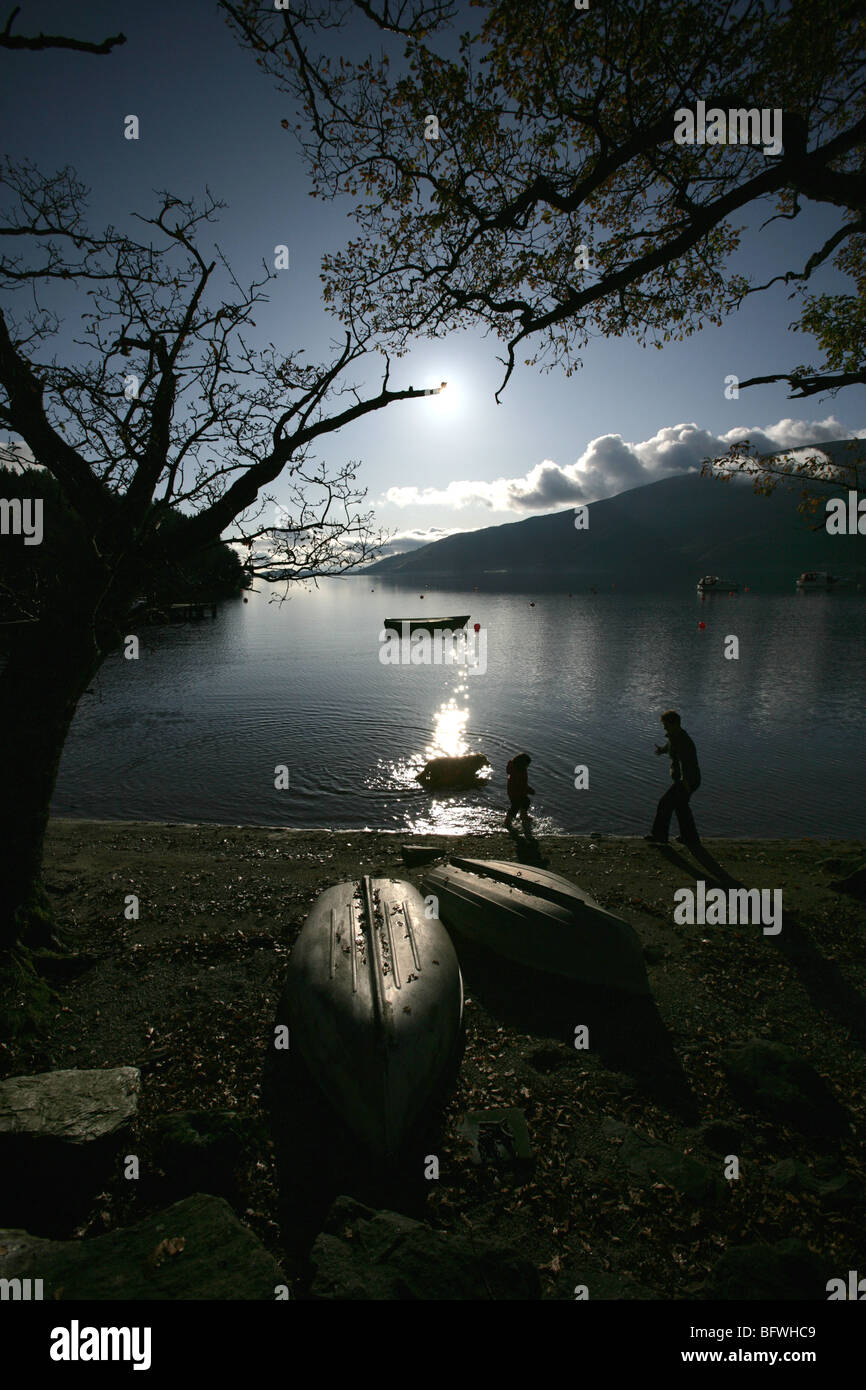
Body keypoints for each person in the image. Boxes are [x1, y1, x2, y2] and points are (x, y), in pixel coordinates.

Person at [645, 710, 701, 846]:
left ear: (674, 724)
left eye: (666, 724)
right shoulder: (674, 737)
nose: (664, 727)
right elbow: (669, 747)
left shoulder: (681, 740)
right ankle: (689, 838)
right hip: (687, 780)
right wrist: (661, 750)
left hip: (687, 780)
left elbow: (685, 762)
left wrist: (685, 782)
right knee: (681, 808)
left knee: (665, 803)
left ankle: (659, 836)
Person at [505, 752, 534, 833]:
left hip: (513, 791)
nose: (528, 766)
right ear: (523, 764)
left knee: (526, 801)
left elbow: (522, 784)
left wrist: (527, 789)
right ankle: (507, 822)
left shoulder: (514, 768)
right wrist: (529, 790)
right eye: (527, 764)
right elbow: (521, 785)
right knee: (515, 807)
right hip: (516, 792)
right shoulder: (520, 771)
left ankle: (523, 815)